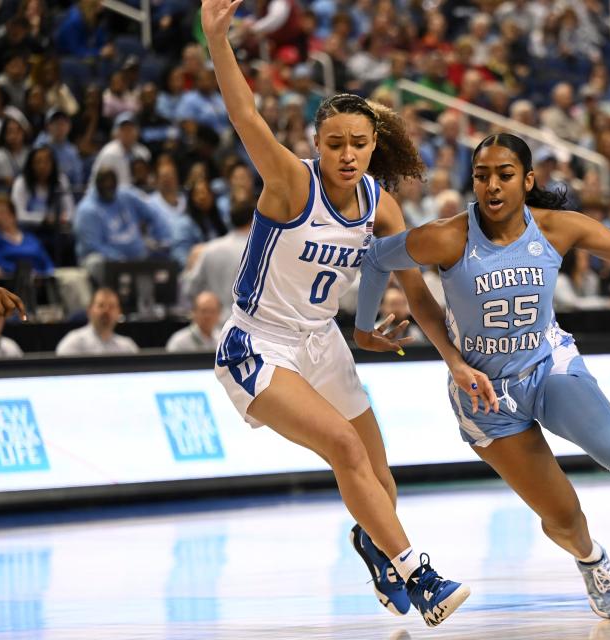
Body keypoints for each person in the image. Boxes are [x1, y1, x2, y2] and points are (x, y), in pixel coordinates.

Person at [355, 133, 610, 620]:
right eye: (481, 175)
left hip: (546, 365)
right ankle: (591, 560)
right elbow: (376, 257)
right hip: (486, 397)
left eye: (505, 175)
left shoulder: (559, 228)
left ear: (528, 180)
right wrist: (386, 338)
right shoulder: (447, 236)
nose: (492, 185)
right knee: (562, 516)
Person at [201, 0, 481, 627]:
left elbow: (414, 292)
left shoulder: (381, 205)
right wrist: (218, 38)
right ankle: (421, 575)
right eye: (335, 144)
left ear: (373, 144)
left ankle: (373, 544)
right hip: (258, 343)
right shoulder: (289, 184)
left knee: (379, 477)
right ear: (316, 145)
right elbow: (243, 113)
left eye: (358, 143)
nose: (348, 154)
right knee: (344, 449)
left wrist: (455, 361)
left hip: (322, 340)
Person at [182, 200, 252, 320]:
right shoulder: (256, 253)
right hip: (242, 326)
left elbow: (190, 289)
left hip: (212, 322)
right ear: (254, 220)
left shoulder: (210, 248)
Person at [55, 288, 139, 356]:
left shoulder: (127, 347)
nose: (106, 311)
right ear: (89, 310)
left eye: (111, 306)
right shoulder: (73, 342)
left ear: (119, 312)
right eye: (101, 305)